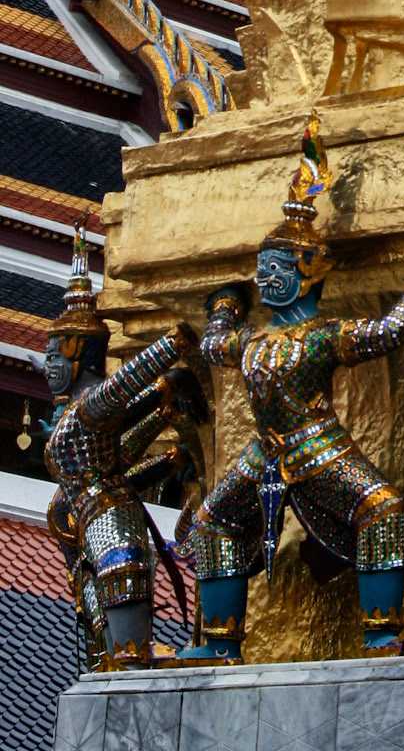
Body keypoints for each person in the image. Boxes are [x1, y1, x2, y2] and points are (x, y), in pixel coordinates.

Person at [181, 112, 404, 658]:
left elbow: (386, 333)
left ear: (308, 269)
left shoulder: (323, 335)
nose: (265, 277)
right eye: (261, 268)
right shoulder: (253, 341)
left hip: (318, 445)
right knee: (211, 522)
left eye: (276, 266)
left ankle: (380, 632)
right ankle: (219, 643)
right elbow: (213, 346)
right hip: (265, 452)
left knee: (383, 508)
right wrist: (225, 305)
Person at [44, 228, 204, 667]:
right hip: (99, 539)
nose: (48, 366)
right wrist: (163, 411)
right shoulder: (82, 421)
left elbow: (125, 384)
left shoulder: (91, 406)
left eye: (55, 354)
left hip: (116, 535)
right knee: (112, 665)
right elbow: (119, 451)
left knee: (130, 665)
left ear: (79, 353)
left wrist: (179, 342)